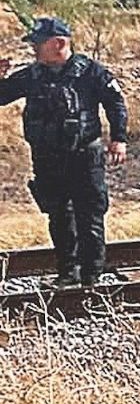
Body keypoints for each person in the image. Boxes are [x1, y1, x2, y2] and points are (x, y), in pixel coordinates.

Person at [0, 16, 128, 287]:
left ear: (58, 43)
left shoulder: (90, 72)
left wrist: (119, 138)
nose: (33, 48)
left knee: (89, 214)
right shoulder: (32, 75)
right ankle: (68, 273)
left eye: (38, 43)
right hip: (47, 159)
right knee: (59, 216)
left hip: (85, 156)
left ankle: (92, 276)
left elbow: (115, 102)